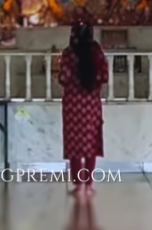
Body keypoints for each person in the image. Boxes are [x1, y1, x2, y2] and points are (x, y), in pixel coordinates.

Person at [59, 21, 108, 197]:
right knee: (90, 144)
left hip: (73, 106)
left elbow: (64, 77)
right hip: (91, 105)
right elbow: (104, 76)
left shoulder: (69, 53)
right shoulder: (96, 52)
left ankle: (78, 184)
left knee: (74, 145)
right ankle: (88, 183)